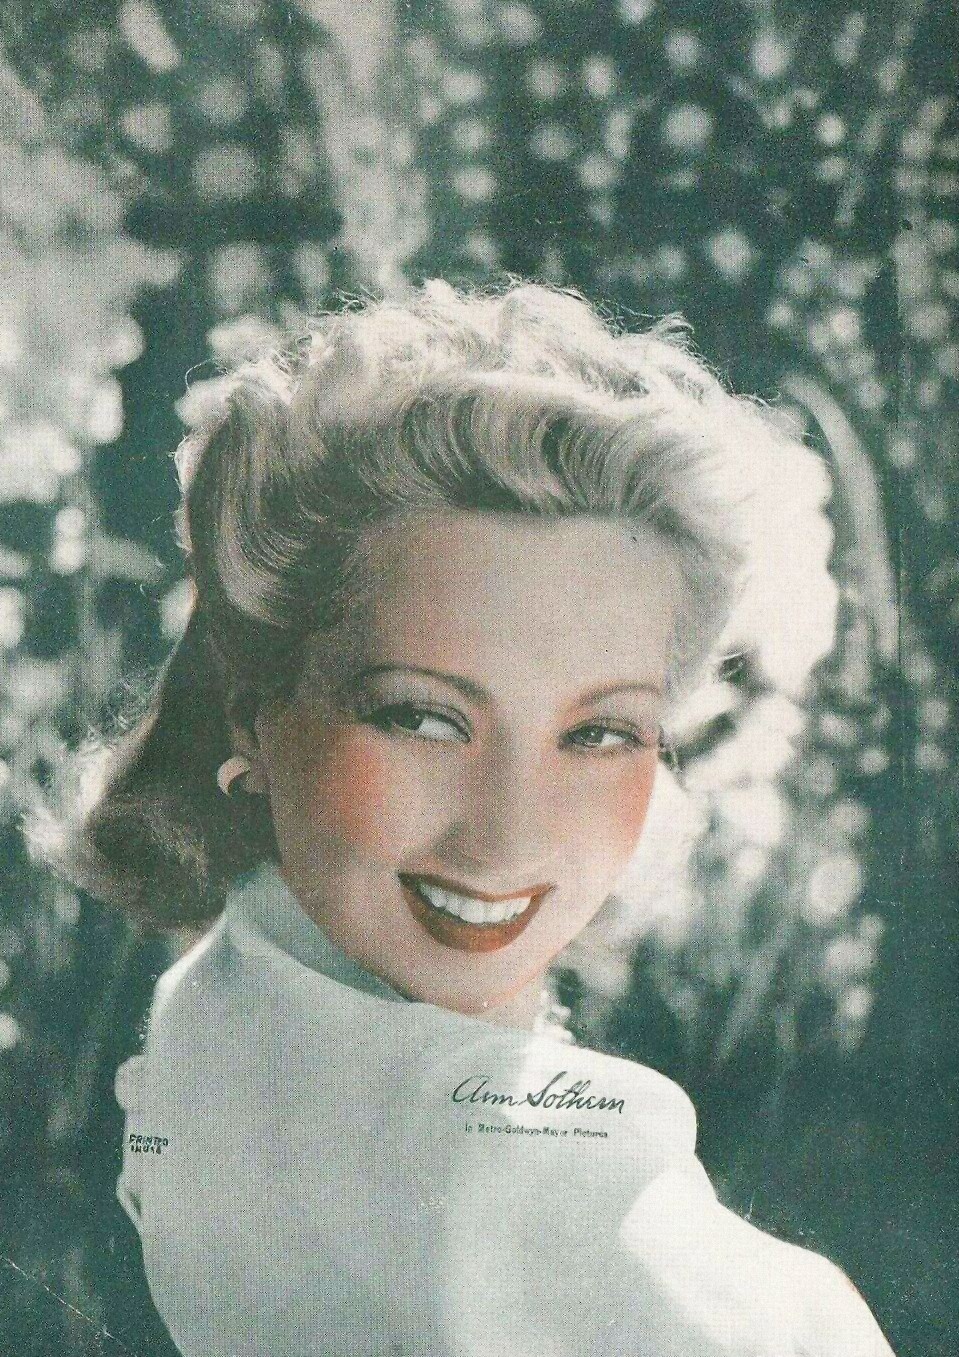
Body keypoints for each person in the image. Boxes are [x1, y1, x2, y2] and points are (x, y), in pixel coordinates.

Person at [57, 281, 894, 1355]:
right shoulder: (528, 1177)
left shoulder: (216, 1009)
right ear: (252, 716)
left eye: (599, 732)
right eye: (422, 717)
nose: (506, 836)